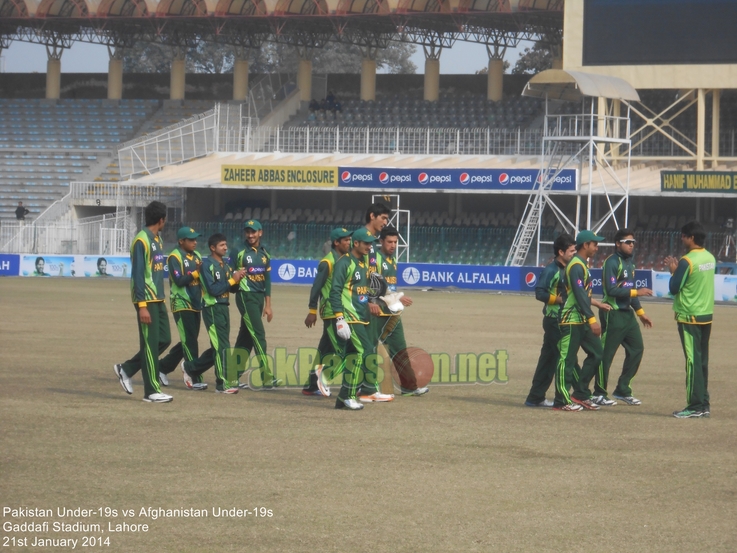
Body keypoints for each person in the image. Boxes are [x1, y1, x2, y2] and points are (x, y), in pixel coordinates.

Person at [113, 201, 173, 403]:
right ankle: (151, 391)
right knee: (149, 345)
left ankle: (127, 369)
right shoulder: (142, 240)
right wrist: (142, 306)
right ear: (161, 220)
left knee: (164, 339)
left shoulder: (158, 239)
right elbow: (138, 275)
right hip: (146, 300)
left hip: (158, 298)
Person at [329, 228, 393, 410]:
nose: (369, 246)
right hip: (350, 317)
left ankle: (342, 398)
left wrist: (387, 297)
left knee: (352, 355)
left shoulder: (364, 263)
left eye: (371, 243)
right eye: (366, 243)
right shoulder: (344, 263)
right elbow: (335, 292)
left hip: (361, 317)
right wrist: (340, 318)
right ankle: (349, 395)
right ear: (355, 244)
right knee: (361, 353)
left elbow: (368, 288)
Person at [592, 229, 653, 406]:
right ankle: (599, 393)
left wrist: (641, 313)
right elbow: (610, 290)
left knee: (637, 350)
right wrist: (636, 291)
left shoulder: (630, 264)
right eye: (628, 242)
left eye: (633, 242)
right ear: (618, 243)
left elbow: (630, 292)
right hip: (613, 312)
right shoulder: (611, 262)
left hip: (628, 315)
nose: (631, 244)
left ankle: (623, 389)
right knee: (606, 355)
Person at [553, 230, 611, 412]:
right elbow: (579, 295)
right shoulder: (576, 265)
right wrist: (592, 319)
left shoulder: (581, 265)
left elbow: (584, 295)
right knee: (567, 360)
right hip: (571, 319)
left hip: (581, 320)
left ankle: (580, 393)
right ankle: (561, 400)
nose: (597, 247)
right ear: (585, 245)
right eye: (595, 244)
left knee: (597, 353)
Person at [182, 233, 246, 394]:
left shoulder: (225, 265)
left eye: (226, 244)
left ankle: (190, 367)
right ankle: (222, 384)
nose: (226, 247)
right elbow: (213, 290)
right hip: (212, 308)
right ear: (212, 248)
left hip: (224, 308)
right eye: (222, 245)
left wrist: (238, 279)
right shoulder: (206, 265)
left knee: (219, 346)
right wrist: (232, 280)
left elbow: (231, 288)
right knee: (222, 346)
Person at [665, 221, 716, 418]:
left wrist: (673, 271)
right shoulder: (710, 258)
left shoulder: (687, 260)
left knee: (692, 361)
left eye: (684, 236)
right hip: (706, 315)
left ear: (691, 238)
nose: (682, 239)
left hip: (689, 316)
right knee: (702, 361)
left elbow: (674, 288)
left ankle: (694, 406)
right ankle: (703, 403)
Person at [371, 226, 428, 396]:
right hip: (378, 312)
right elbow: (376, 287)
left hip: (393, 313)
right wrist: (398, 296)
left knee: (400, 349)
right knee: (368, 349)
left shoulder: (392, 259)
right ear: (381, 241)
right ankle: (366, 387)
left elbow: (390, 285)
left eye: (395, 242)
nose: (393, 245)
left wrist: (397, 297)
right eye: (389, 242)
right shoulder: (375, 260)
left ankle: (409, 387)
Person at [524, 233, 576, 408]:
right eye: (571, 251)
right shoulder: (551, 270)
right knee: (568, 358)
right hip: (555, 320)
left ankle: (535, 397)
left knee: (548, 360)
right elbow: (540, 293)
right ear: (561, 252)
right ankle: (580, 394)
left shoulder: (569, 269)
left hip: (562, 319)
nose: (573, 254)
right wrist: (559, 300)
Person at [302, 227, 353, 397]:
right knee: (342, 351)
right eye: (345, 240)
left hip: (341, 311)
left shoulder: (346, 259)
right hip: (332, 312)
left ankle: (310, 386)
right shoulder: (328, 262)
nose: (349, 242)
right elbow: (316, 287)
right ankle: (323, 378)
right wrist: (312, 310)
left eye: (349, 239)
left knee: (324, 350)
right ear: (336, 243)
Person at [158, 227, 206, 390]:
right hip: (181, 303)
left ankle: (162, 367)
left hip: (196, 303)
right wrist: (195, 273)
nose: (195, 242)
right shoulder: (174, 257)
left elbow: (201, 279)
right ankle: (193, 377)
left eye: (195, 239)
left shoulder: (197, 256)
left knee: (189, 340)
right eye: (191, 240)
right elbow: (178, 280)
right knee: (190, 341)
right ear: (181, 241)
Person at [234, 220, 279, 389]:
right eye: (248, 232)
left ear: (260, 232)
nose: (250, 235)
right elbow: (229, 272)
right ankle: (267, 378)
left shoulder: (264, 253)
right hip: (245, 297)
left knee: (245, 338)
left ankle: (233, 375)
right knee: (258, 334)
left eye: (254, 232)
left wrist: (268, 305)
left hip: (259, 299)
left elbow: (267, 281)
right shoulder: (238, 251)